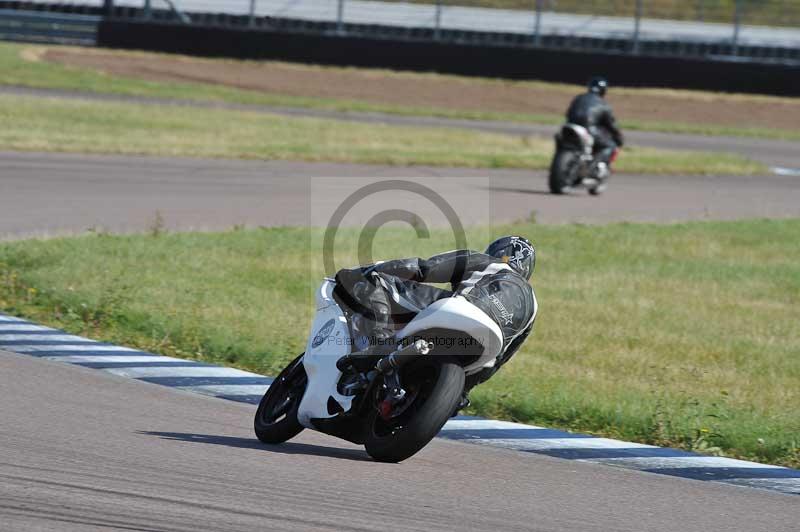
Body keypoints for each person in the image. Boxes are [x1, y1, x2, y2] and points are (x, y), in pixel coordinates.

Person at [334, 236, 538, 410]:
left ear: (498, 251)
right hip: (488, 346)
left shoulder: (487, 262)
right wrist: (460, 392)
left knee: (377, 279)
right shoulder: (533, 307)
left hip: (461, 309)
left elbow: (423, 269)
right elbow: (500, 360)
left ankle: (377, 344)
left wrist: (371, 269)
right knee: (492, 360)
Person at [565, 76, 625, 179]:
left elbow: (568, 113)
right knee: (609, 146)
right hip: (589, 130)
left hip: (569, 127)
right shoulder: (603, 104)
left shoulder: (579, 98)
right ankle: (590, 168)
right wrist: (619, 138)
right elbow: (611, 124)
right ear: (604, 91)